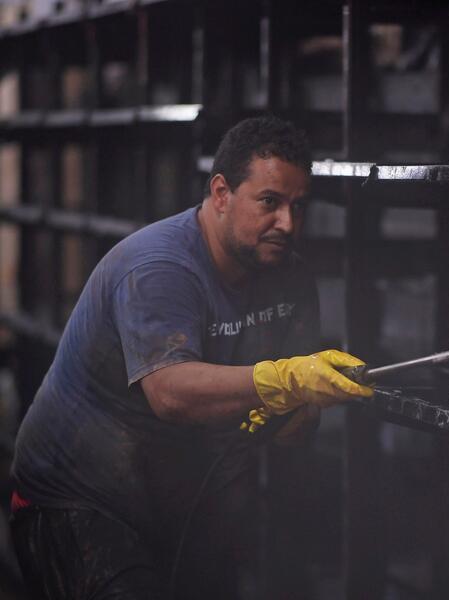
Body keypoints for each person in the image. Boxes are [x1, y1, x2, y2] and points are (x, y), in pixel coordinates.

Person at [10, 116, 372, 599]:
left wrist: (291, 414)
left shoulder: (289, 278)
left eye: (298, 206)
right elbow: (171, 393)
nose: (287, 223)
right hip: (78, 501)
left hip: (186, 504)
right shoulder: (159, 268)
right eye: (269, 202)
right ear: (221, 194)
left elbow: (293, 420)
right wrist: (280, 382)